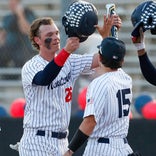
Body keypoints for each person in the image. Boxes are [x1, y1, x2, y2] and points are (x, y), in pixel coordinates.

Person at [9, 13, 121, 155]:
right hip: (36, 140)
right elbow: (44, 78)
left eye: (56, 33)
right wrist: (66, 51)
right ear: (37, 40)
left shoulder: (70, 61)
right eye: (50, 34)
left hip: (62, 142)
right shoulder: (31, 66)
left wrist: (107, 36)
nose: (56, 37)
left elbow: (103, 59)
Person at [63, 37, 139, 156]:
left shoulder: (98, 83)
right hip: (123, 147)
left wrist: (70, 150)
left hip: (101, 148)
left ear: (99, 57)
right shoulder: (126, 79)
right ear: (122, 61)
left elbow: (90, 122)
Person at [0, 0, 37, 67]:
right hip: (9, 48)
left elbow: (26, 30)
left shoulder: (28, 14)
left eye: (14, 3)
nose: (12, 5)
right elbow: (3, 34)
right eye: (10, 3)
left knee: (20, 59)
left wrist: (20, 15)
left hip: (23, 49)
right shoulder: (7, 17)